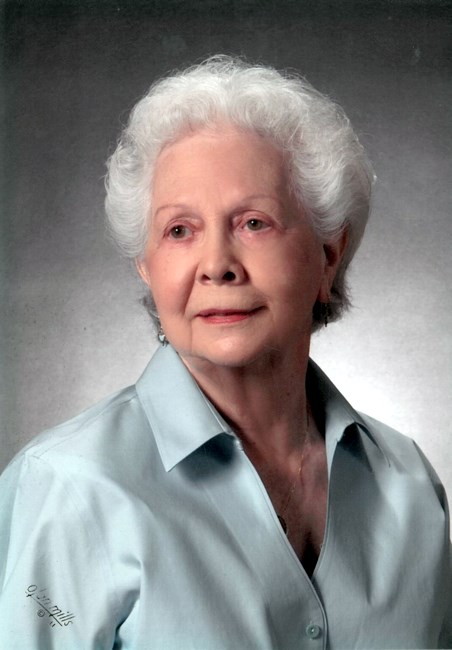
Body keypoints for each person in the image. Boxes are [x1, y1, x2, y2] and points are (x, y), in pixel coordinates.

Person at [0, 55, 450, 649]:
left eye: (253, 223)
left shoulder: (410, 484)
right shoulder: (69, 488)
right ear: (147, 266)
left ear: (329, 254)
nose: (216, 265)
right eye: (179, 230)